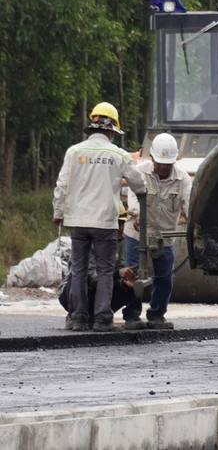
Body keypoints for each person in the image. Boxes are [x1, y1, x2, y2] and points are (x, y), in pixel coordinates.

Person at [53, 102, 147, 332]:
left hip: (77, 221)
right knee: (105, 271)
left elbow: (62, 185)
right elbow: (139, 184)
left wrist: (58, 212)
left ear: (93, 126)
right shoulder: (118, 154)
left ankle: (78, 318)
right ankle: (102, 319)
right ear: (111, 130)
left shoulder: (74, 152)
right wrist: (144, 195)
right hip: (105, 223)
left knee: (79, 269)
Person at [123, 133, 191, 330]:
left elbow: (189, 202)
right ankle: (132, 315)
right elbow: (134, 197)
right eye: (160, 162)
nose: (163, 166)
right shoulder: (140, 172)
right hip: (137, 233)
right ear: (152, 158)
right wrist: (136, 214)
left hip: (164, 236)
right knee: (132, 274)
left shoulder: (182, 179)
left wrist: (194, 220)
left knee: (166, 276)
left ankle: (156, 315)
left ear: (174, 160)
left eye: (167, 163)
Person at [58, 203, 137, 326]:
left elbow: (119, 265)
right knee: (79, 280)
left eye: (123, 223)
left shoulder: (120, 240)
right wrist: (117, 274)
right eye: (118, 223)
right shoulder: (90, 242)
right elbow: (91, 277)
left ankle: (99, 316)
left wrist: (125, 280)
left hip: (101, 285)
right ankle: (76, 315)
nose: (121, 228)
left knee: (132, 287)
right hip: (73, 292)